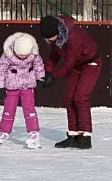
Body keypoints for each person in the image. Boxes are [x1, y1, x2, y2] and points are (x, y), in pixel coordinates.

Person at [39, 15, 101, 149]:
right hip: (76, 66)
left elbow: (68, 63)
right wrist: (47, 71)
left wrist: (53, 76)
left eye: (50, 38)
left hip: (91, 63)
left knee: (80, 97)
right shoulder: (56, 39)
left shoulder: (73, 37)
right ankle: (73, 135)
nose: (49, 41)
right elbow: (54, 56)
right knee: (70, 98)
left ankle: (85, 137)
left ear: (57, 32)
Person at [0, 32, 45, 149]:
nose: (23, 57)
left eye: (25, 55)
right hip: (11, 87)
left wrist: (41, 79)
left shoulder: (34, 55)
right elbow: (0, 71)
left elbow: (39, 66)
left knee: (29, 110)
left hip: (28, 87)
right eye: (20, 55)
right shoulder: (7, 56)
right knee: (9, 110)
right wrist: (0, 87)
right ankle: (4, 131)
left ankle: (33, 132)